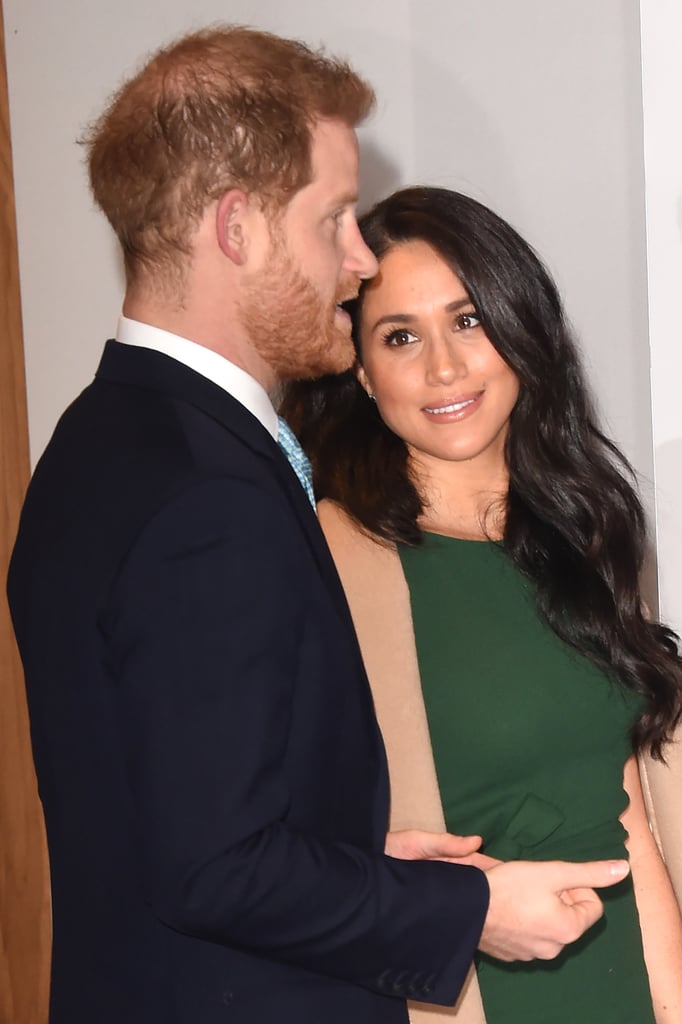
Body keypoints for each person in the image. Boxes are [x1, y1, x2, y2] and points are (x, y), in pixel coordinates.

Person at [7, 32, 630, 1024]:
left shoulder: (100, 441)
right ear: (239, 228)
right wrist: (469, 905)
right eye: (335, 217)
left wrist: (354, 850)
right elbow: (214, 870)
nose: (359, 256)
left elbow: (176, 812)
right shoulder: (203, 492)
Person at [282, 185, 682, 1024]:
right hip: (457, 996)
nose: (444, 368)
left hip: (622, 986)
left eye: (469, 321)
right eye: (400, 336)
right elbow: (276, 847)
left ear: (520, 328)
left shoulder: (584, 532)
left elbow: (630, 819)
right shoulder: (325, 561)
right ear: (360, 367)